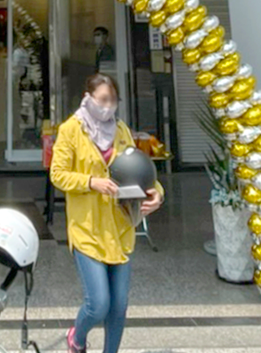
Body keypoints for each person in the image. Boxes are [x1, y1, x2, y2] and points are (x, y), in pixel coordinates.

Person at [50, 74, 163, 353]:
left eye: (113, 100)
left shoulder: (121, 130)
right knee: (98, 304)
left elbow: (139, 170)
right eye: (102, 99)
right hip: (87, 230)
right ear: (87, 98)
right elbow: (58, 174)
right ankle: (77, 337)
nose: (108, 106)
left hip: (120, 229)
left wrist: (157, 193)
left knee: (119, 306)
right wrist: (91, 182)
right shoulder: (71, 130)